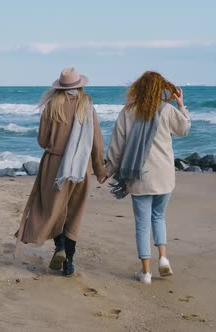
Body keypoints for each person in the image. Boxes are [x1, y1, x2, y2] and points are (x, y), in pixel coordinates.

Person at [15, 67, 107, 276]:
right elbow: (96, 143)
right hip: (81, 167)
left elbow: (42, 141)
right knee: (73, 213)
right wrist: (100, 169)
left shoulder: (51, 106)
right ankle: (69, 262)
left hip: (54, 165)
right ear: (80, 86)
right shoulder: (87, 106)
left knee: (54, 209)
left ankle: (61, 248)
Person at [104, 71, 190, 284]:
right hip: (165, 176)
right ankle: (163, 258)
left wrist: (107, 171)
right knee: (158, 216)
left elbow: (117, 146)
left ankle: (146, 273)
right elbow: (184, 129)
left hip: (139, 175)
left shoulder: (128, 112)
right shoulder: (167, 110)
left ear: (138, 88)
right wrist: (181, 104)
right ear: (159, 89)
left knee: (142, 224)